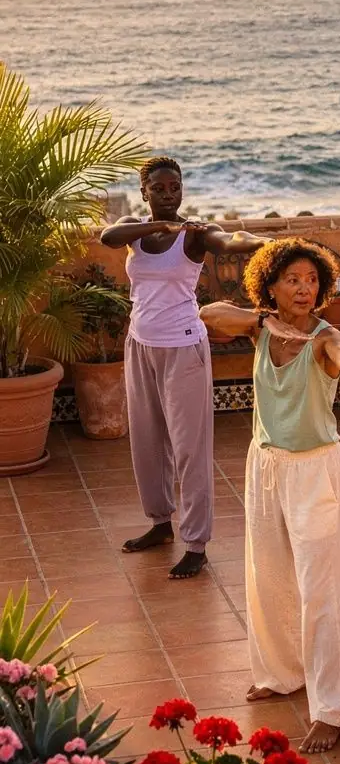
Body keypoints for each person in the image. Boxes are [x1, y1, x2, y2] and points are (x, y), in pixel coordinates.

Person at [200, 238, 340, 755]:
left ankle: (332, 709)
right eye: (292, 279)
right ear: (270, 286)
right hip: (265, 462)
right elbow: (208, 312)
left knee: (320, 590)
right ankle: (280, 672)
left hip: (314, 471)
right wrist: (263, 320)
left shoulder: (323, 338)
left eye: (312, 280)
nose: (304, 289)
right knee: (267, 575)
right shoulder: (261, 329)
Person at [101, 156, 267, 579]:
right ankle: (160, 523)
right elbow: (108, 235)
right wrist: (158, 226)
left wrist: (259, 242)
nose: (168, 194)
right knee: (147, 441)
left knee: (189, 448)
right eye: (159, 188)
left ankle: (196, 543)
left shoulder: (194, 235)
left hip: (183, 347)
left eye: (175, 187)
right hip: (140, 345)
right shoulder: (136, 232)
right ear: (144, 192)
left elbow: (228, 240)